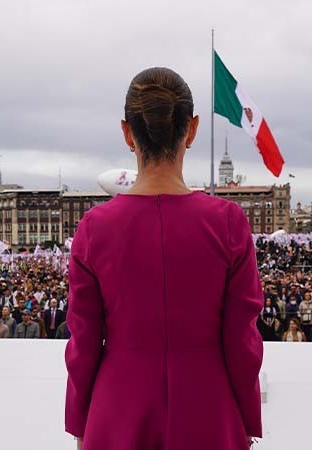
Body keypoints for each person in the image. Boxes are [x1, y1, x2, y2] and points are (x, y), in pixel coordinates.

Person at [65, 68, 262, 450]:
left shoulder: (94, 228)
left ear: (127, 133)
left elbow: (84, 342)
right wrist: (247, 417)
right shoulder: (228, 223)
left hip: (116, 408)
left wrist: (79, 421)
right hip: (210, 407)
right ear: (191, 130)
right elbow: (242, 340)